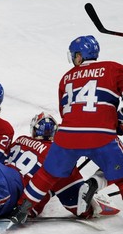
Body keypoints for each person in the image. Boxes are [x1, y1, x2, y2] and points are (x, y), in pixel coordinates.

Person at [9, 35, 123, 226]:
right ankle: (96, 182)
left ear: (79, 56)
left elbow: (67, 113)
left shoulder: (66, 78)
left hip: (67, 136)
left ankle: (22, 208)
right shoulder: (113, 68)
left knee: (46, 175)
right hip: (101, 136)